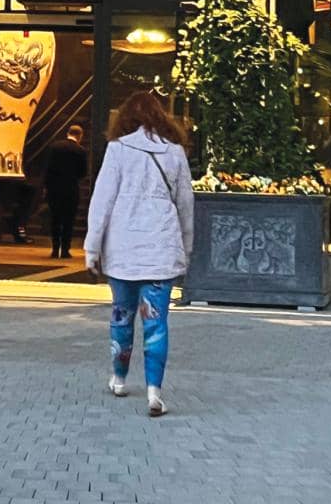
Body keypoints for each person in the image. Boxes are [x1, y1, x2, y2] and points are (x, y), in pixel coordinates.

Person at [84, 91, 194, 418]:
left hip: (123, 252)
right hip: (161, 250)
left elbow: (101, 202)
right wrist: (185, 249)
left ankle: (119, 378)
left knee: (122, 316)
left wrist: (92, 248)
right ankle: (154, 391)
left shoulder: (117, 150)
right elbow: (186, 206)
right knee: (156, 324)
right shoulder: (175, 154)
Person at [44, 123, 89, 258]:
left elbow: (48, 169)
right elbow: (83, 172)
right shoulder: (80, 151)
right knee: (68, 220)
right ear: (80, 136)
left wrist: (47, 186)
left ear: (67, 133)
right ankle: (65, 250)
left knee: (55, 219)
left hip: (54, 188)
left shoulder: (55, 147)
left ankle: (54, 248)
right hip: (71, 189)